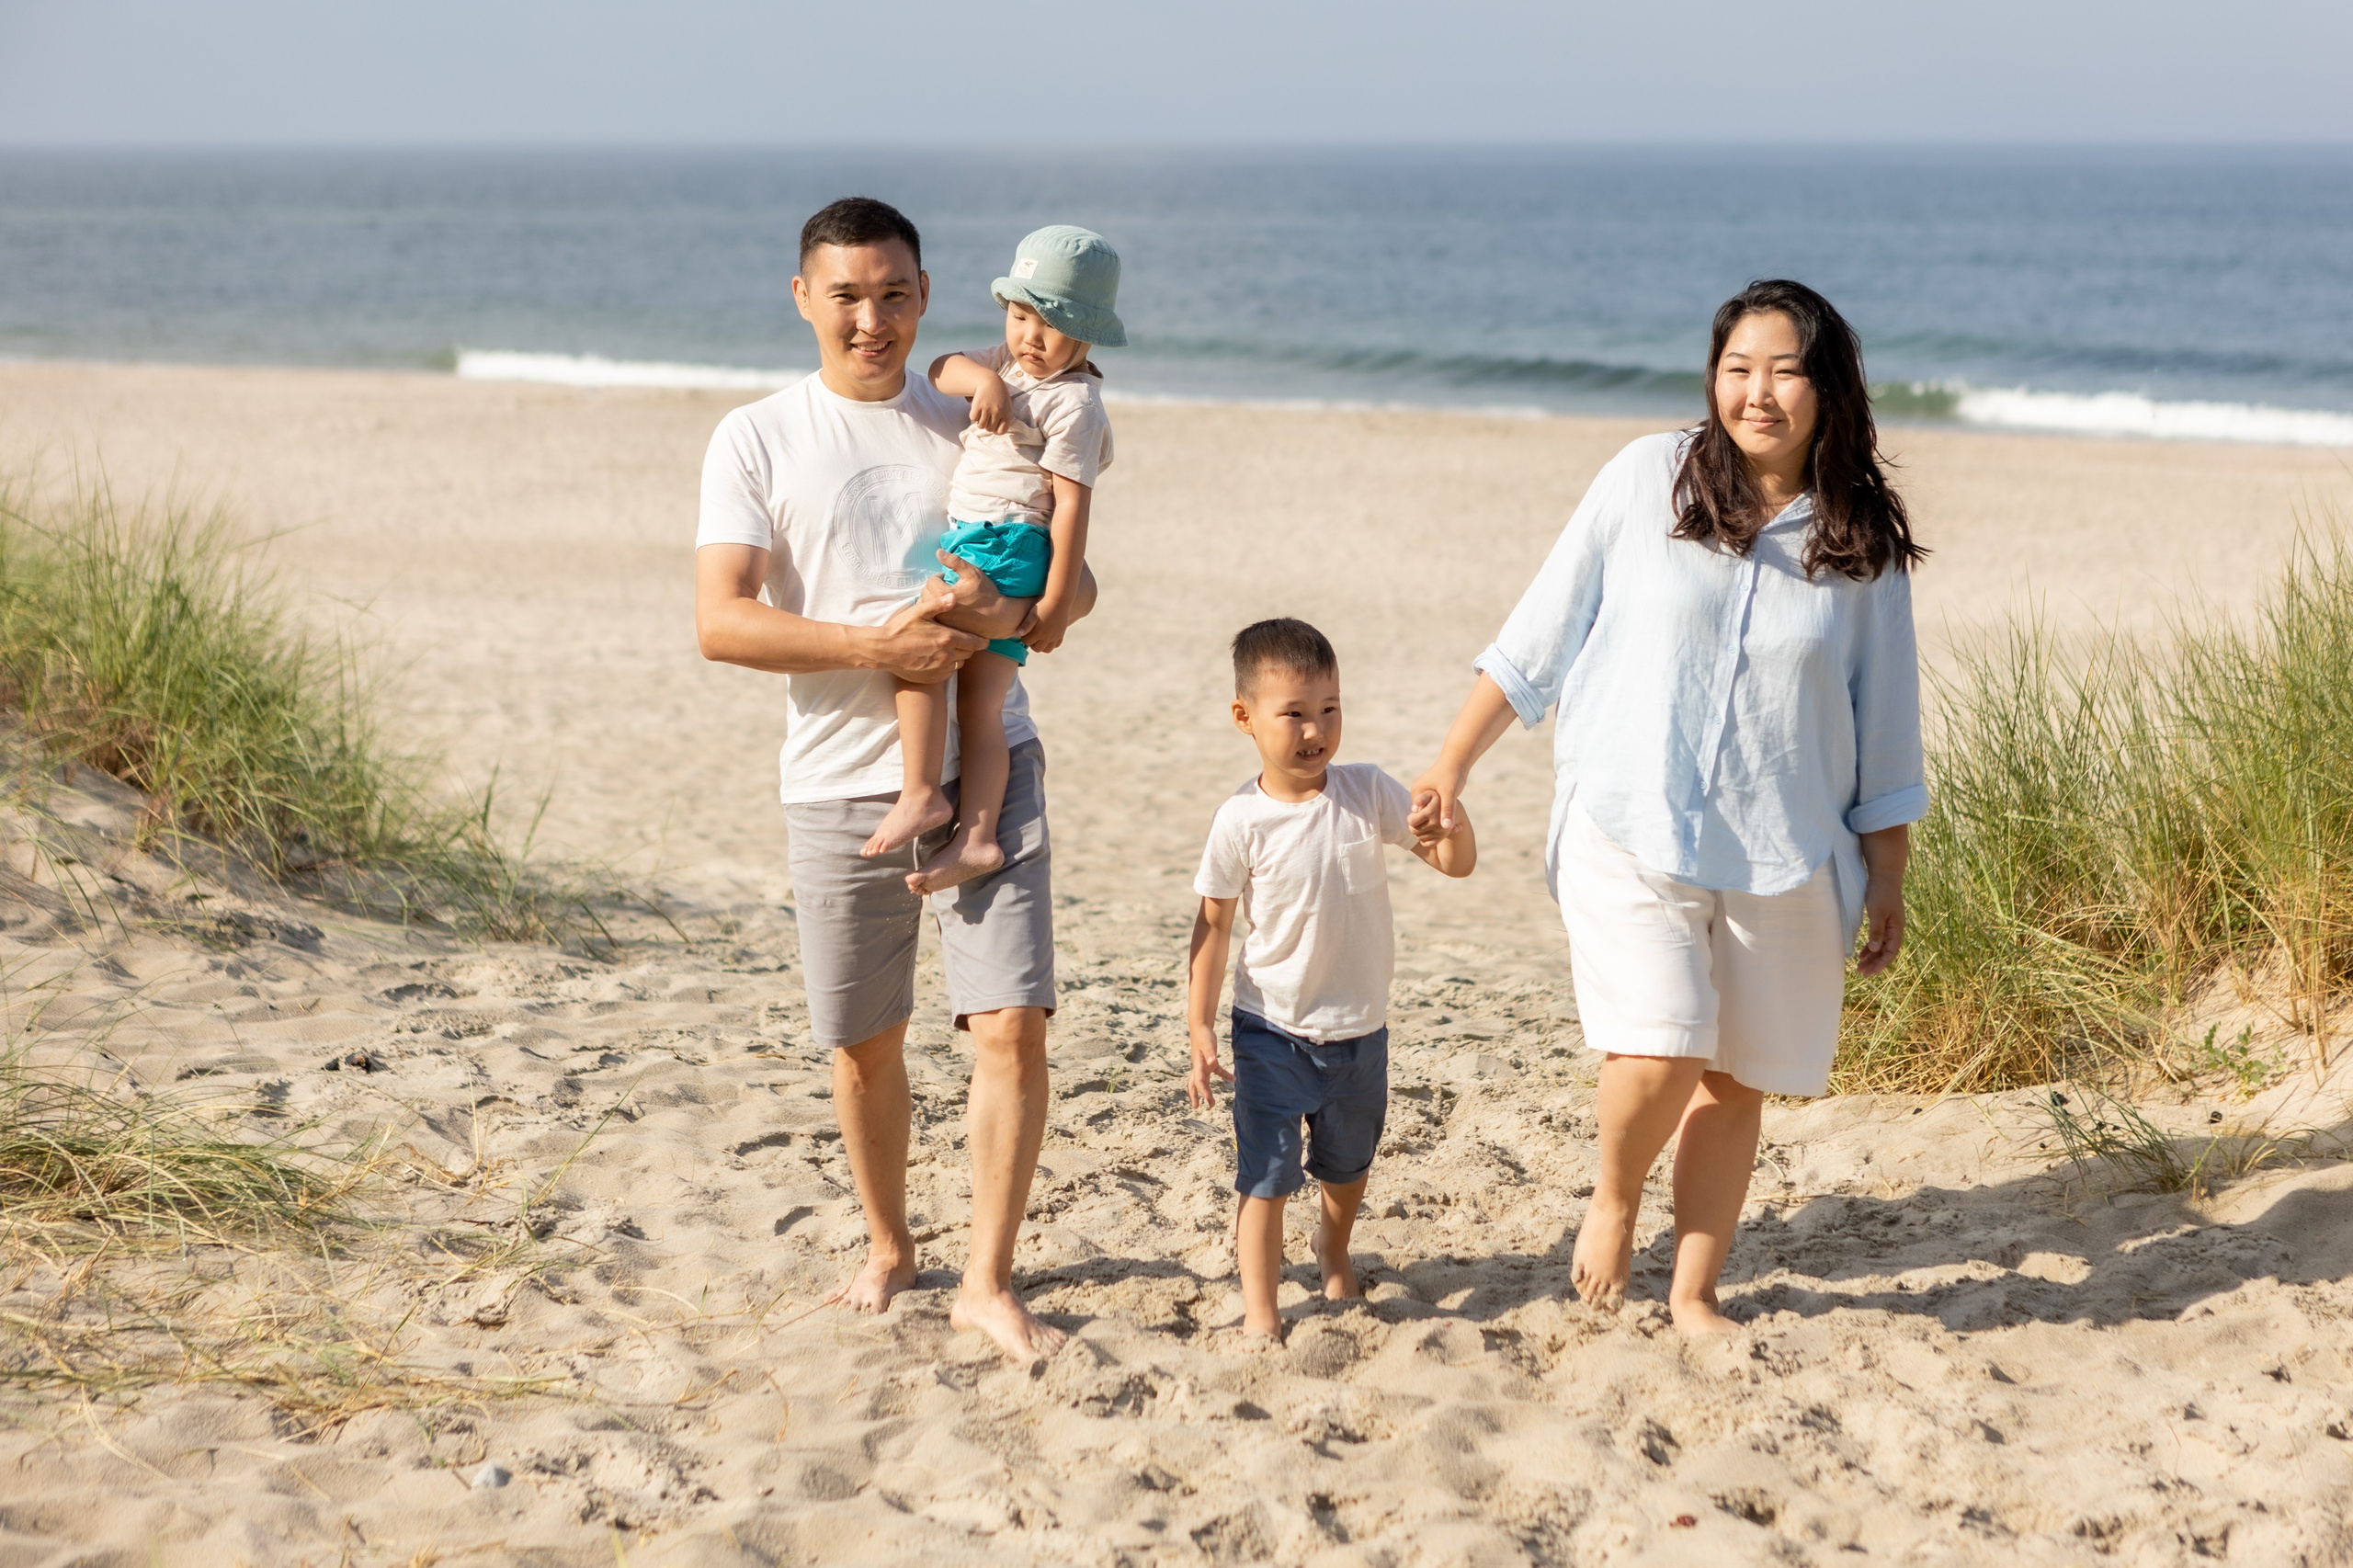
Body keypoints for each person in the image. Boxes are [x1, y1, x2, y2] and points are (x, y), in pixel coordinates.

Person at [1409, 279, 1927, 1336]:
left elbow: (1885, 720)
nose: (1759, 391)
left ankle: (1693, 1291)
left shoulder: (1858, 540)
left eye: (1785, 369)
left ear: (1827, 387)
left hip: (1785, 846)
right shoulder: (1647, 476)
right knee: (1662, 1044)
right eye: (1739, 367)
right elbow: (1539, 633)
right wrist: (1450, 763)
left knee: (1736, 1079)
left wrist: (1888, 875)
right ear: (1712, 376)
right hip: (1628, 818)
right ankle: (1613, 1195)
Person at [692, 197, 1097, 1365]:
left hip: (991, 761)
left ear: (926, 294)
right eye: (847, 295)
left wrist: (1013, 614)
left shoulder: (983, 412)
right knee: (866, 1039)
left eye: (895, 293)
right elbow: (721, 622)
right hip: (832, 781)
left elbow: (1070, 592)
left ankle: (985, 1277)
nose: (873, 319)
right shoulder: (756, 436)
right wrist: (882, 646)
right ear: (804, 299)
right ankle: (887, 1243)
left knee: (1011, 1025)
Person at [1187, 619, 1476, 1341]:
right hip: (1270, 1029)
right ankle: (1262, 1311)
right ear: (1244, 717)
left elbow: (1453, 864)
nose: (1315, 730)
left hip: (1360, 1031)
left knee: (1347, 1166)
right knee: (1269, 1174)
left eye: (1330, 709)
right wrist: (1199, 1024)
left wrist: (1454, 823)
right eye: (1294, 713)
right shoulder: (1240, 821)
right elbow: (1214, 925)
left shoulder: (1366, 791)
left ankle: (1333, 1247)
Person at [860, 226, 1122, 896]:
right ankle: (978, 837)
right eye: (1019, 315)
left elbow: (1070, 508)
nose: (1031, 337)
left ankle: (922, 792)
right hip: (993, 543)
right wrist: (986, 379)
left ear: (1087, 333)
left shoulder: (1075, 403)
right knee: (981, 708)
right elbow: (944, 366)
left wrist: (1057, 602)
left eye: (1052, 325)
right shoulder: (1006, 366)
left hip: (1004, 542)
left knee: (914, 648)